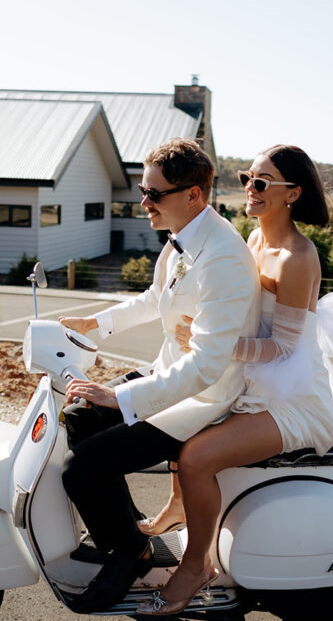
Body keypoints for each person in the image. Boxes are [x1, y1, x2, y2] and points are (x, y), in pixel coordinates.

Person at [137, 145, 333, 616]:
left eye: (261, 183)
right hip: (251, 379)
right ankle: (179, 508)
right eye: (247, 178)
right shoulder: (251, 240)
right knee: (179, 414)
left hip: (291, 396)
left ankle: (196, 567)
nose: (249, 190)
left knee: (196, 456)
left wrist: (212, 345)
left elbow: (281, 347)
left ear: (292, 194)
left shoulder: (297, 257)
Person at [54, 138, 261, 613]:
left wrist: (121, 397)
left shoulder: (222, 256)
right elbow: (154, 298)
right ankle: (129, 536)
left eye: (154, 194)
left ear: (194, 195)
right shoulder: (182, 237)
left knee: (80, 469)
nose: (143, 203)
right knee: (80, 417)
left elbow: (209, 366)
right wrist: (95, 323)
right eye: (142, 192)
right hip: (172, 375)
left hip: (203, 399)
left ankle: (128, 554)